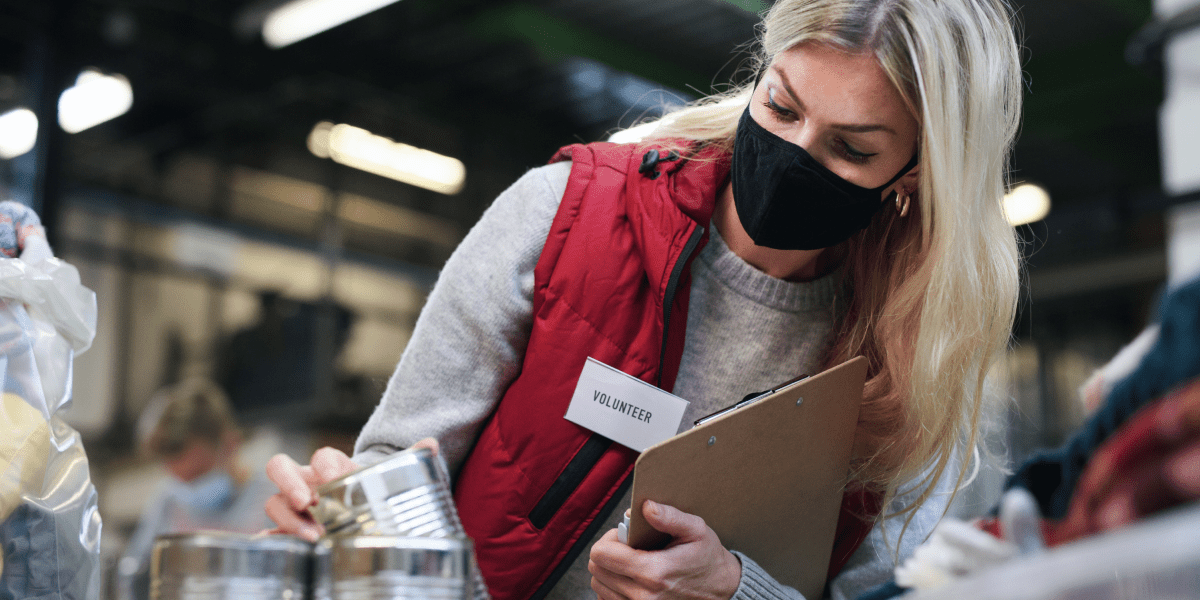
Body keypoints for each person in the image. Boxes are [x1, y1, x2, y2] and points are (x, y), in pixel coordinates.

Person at [265, 0, 1024, 598]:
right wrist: (342, 519)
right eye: (782, 107)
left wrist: (737, 592)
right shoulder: (565, 215)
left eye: (853, 149)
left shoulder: (914, 358)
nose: (794, 154)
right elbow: (398, 465)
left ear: (917, 175)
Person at [117, 378, 276, 600]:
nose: (188, 490)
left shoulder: (272, 502)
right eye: (182, 481)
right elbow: (132, 577)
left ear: (231, 444)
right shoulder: (168, 503)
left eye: (199, 477)